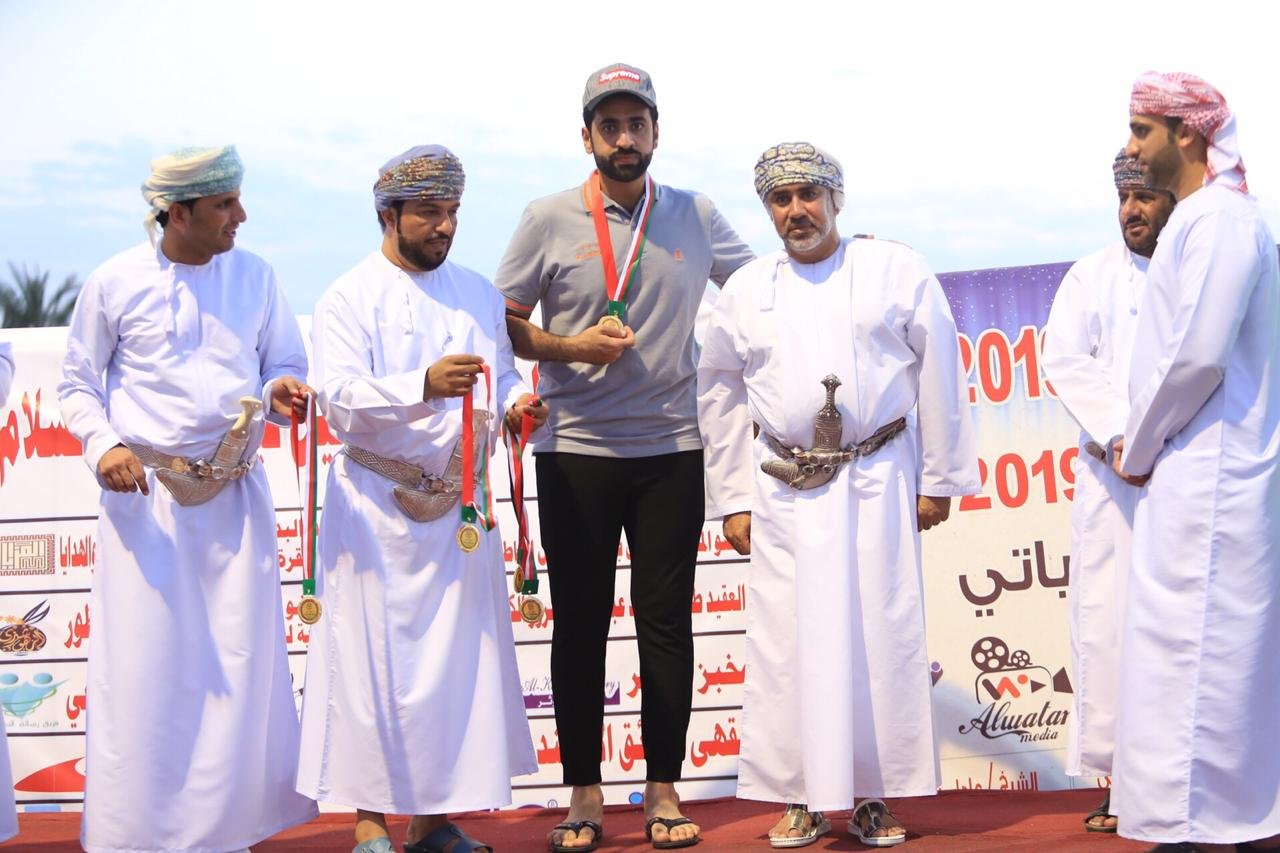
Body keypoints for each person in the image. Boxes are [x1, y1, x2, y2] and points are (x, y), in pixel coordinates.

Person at [493, 63, 754, 852]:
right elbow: (503, 322)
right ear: (587, 139)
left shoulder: (695, 214)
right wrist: (571, 347)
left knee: (665, 624)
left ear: (656, 132)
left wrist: (852, 261)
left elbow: (762, 292)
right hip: (575, 451)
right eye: (609, 126)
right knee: (579, 625)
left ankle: (664, 790)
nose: (624, 138)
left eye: (636, 124)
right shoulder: (545, 218)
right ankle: (583, 793)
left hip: (674, 448)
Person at [697, 142, 978, 848]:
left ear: (836, 198)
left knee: (879, 636)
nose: (796, 210)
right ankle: (801, 797)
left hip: (878, 477)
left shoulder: (895, 269)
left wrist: (940, 478)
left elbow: (940, 368)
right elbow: (719, 393)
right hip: (783, 488)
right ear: (767, 209)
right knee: (788, 644)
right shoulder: (744, 290)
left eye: (808, 195)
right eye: (780, 199)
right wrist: (731, 497)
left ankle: (874, 797)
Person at [57, 145, 318, 853]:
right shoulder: (115, 281)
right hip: (147, 507)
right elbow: (76, 383)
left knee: (237, 664)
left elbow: (283, 362)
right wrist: (103, 445)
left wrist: (280, 391)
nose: (241, 216)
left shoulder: (256, 276)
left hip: (235, 500)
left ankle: (229, 832)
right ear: (178, 213)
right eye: (225, 204)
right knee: (146, 670)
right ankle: (136, 835)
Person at [297, 145, 543, 853]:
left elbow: (501, 372)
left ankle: (434, 822)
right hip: (375, 508)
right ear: (389, 214)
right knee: (371, 667)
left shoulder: (477, 292)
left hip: (458, 509)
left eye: (453, 211)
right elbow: (338, 399)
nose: (445, 226)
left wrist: (518, 405)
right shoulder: (347, 296)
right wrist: (422, 386)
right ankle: (370, 824)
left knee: (451, 669)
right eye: (430, 213)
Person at [1112, 72, 1280, 853]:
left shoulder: (1219, 218)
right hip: (1198, 464)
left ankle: (1205, 829)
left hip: (1209, 470)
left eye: (1141, 129)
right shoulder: (1208, 217)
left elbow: (1198, 357)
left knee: (1197, 656)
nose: (1130, 145)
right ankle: (1218, 823)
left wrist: (1139, 444)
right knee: (1199, 655)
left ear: (1188, 133)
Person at [1041, 150, 1175, 834]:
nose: (1131, 210)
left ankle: (1205, 783)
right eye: (1123, 197)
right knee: (1114, 627)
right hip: (1113, 478)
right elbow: (1064, 361)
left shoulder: (1204, 275)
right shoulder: (1090, 277)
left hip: (1192, 479)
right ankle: (1126, 784)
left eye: (1144, 196)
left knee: (1189, 630)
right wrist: (1126, 436)